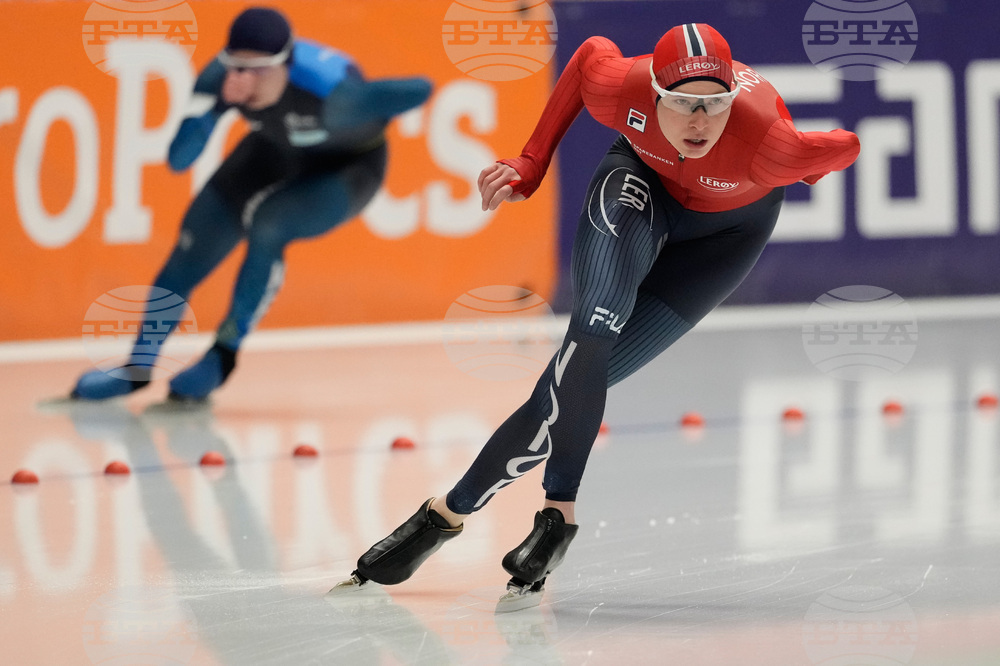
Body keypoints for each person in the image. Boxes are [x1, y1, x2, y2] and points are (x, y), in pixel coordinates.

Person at [333, 23, 860, 609]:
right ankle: (559, 514)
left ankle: (445, 515)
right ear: (653, 94)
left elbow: (841, 147)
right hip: (639, 184)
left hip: (728, 235)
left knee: (572, 378)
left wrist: (811, 160)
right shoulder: (621, 87)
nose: (698, 123)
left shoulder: (769, 141)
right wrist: (531, 162)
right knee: (592, 330)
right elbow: (587, 59)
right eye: (682, 104)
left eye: (713, 106)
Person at [71, 7, 432, 402]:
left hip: (347, 169)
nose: (243, 79)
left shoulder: (331, 93)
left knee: (269, 223)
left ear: (285, 65)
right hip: (273, 149)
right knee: (191, 245)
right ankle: (138, 367)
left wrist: (372, 101)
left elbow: (421, 88)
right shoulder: (218, 79)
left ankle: (222, 354)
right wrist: (213, 109)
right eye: (236, 67)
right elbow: (178, 160)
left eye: (257, 70)